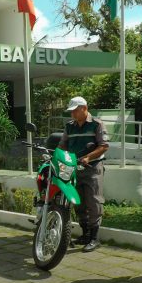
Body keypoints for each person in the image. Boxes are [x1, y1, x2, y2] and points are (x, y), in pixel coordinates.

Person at [58, 96, 109, 252]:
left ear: (84, 108)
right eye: (71, 111)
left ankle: (94, 238)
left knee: (94, 201)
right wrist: (58, 156)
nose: (72, 114)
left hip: (93, 168)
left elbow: (104, 146)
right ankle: (85, 234)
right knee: (78, 202)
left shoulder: (96, 124)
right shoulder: (70, 126)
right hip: (74, 169)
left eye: (75, 111)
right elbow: (63, 145)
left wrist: (88, 157)